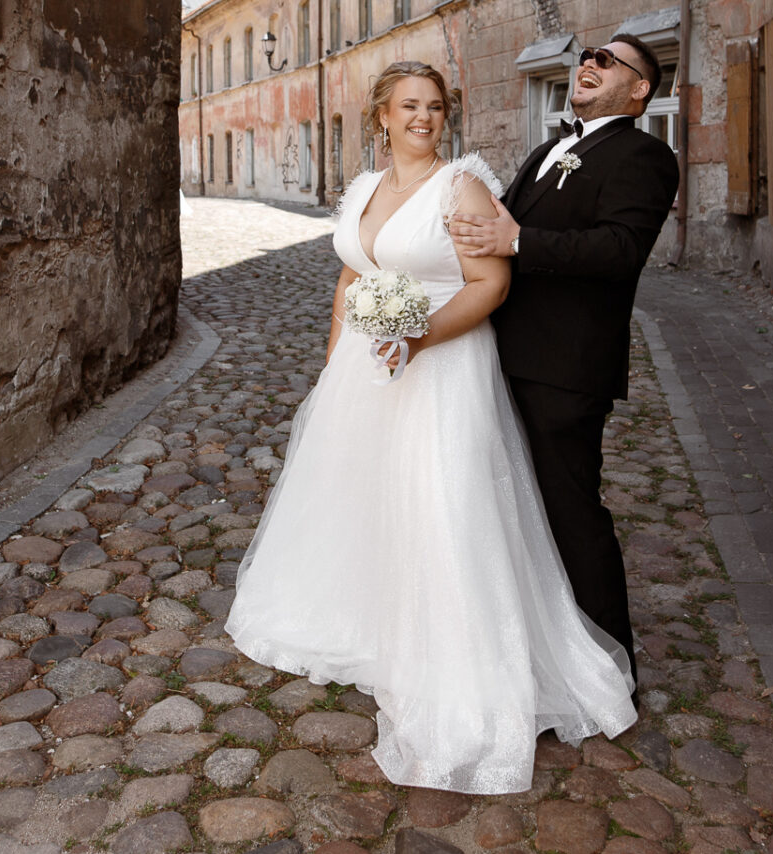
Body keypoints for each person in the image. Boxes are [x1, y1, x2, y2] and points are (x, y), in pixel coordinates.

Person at [226, 60, 636, 794]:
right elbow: (351, 280)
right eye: (410, 106)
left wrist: (418, 338)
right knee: (363, 497)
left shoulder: (461, 187)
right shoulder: (362, 188)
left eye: (436, 107)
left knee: (440, 502)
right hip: (366, 371)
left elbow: (492, 283)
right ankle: (369, 621)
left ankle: (456, 651)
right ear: (381, 116)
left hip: (442, 366)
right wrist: (333, 370)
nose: (424, 117)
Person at [448, 34, 680, 681]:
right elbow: (501, 234)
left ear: (639, 89)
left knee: (569, 510)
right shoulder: (549, 148)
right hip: (503, 353)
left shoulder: (646, 156)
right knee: (512, 506)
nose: (588, 64)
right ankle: (534, 649)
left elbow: (620, 250)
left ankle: (608, 668)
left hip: (565, 366)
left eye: (606, 60)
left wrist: (520, 239)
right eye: (586, 57)